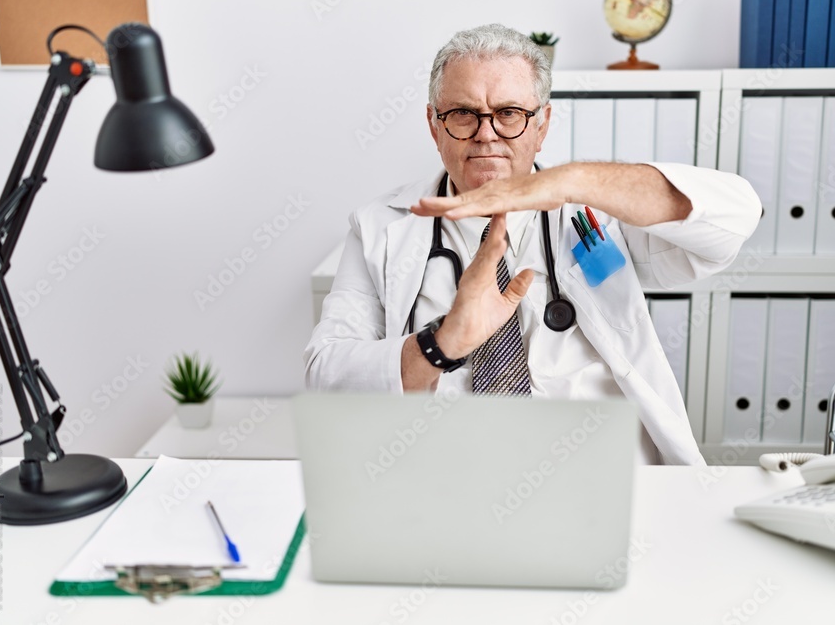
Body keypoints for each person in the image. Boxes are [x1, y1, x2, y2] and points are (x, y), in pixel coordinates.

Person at [304, 23, 760, 465]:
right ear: (434, 124)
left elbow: (735, 218)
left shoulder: (597, 211)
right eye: (463, 113)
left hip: (597, 472)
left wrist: (576, 180)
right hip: (449, 476)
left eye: (509, 114)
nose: (487, 133)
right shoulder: (379, 228)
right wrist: (443, 342)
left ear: (542, 125)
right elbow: (326, 375)